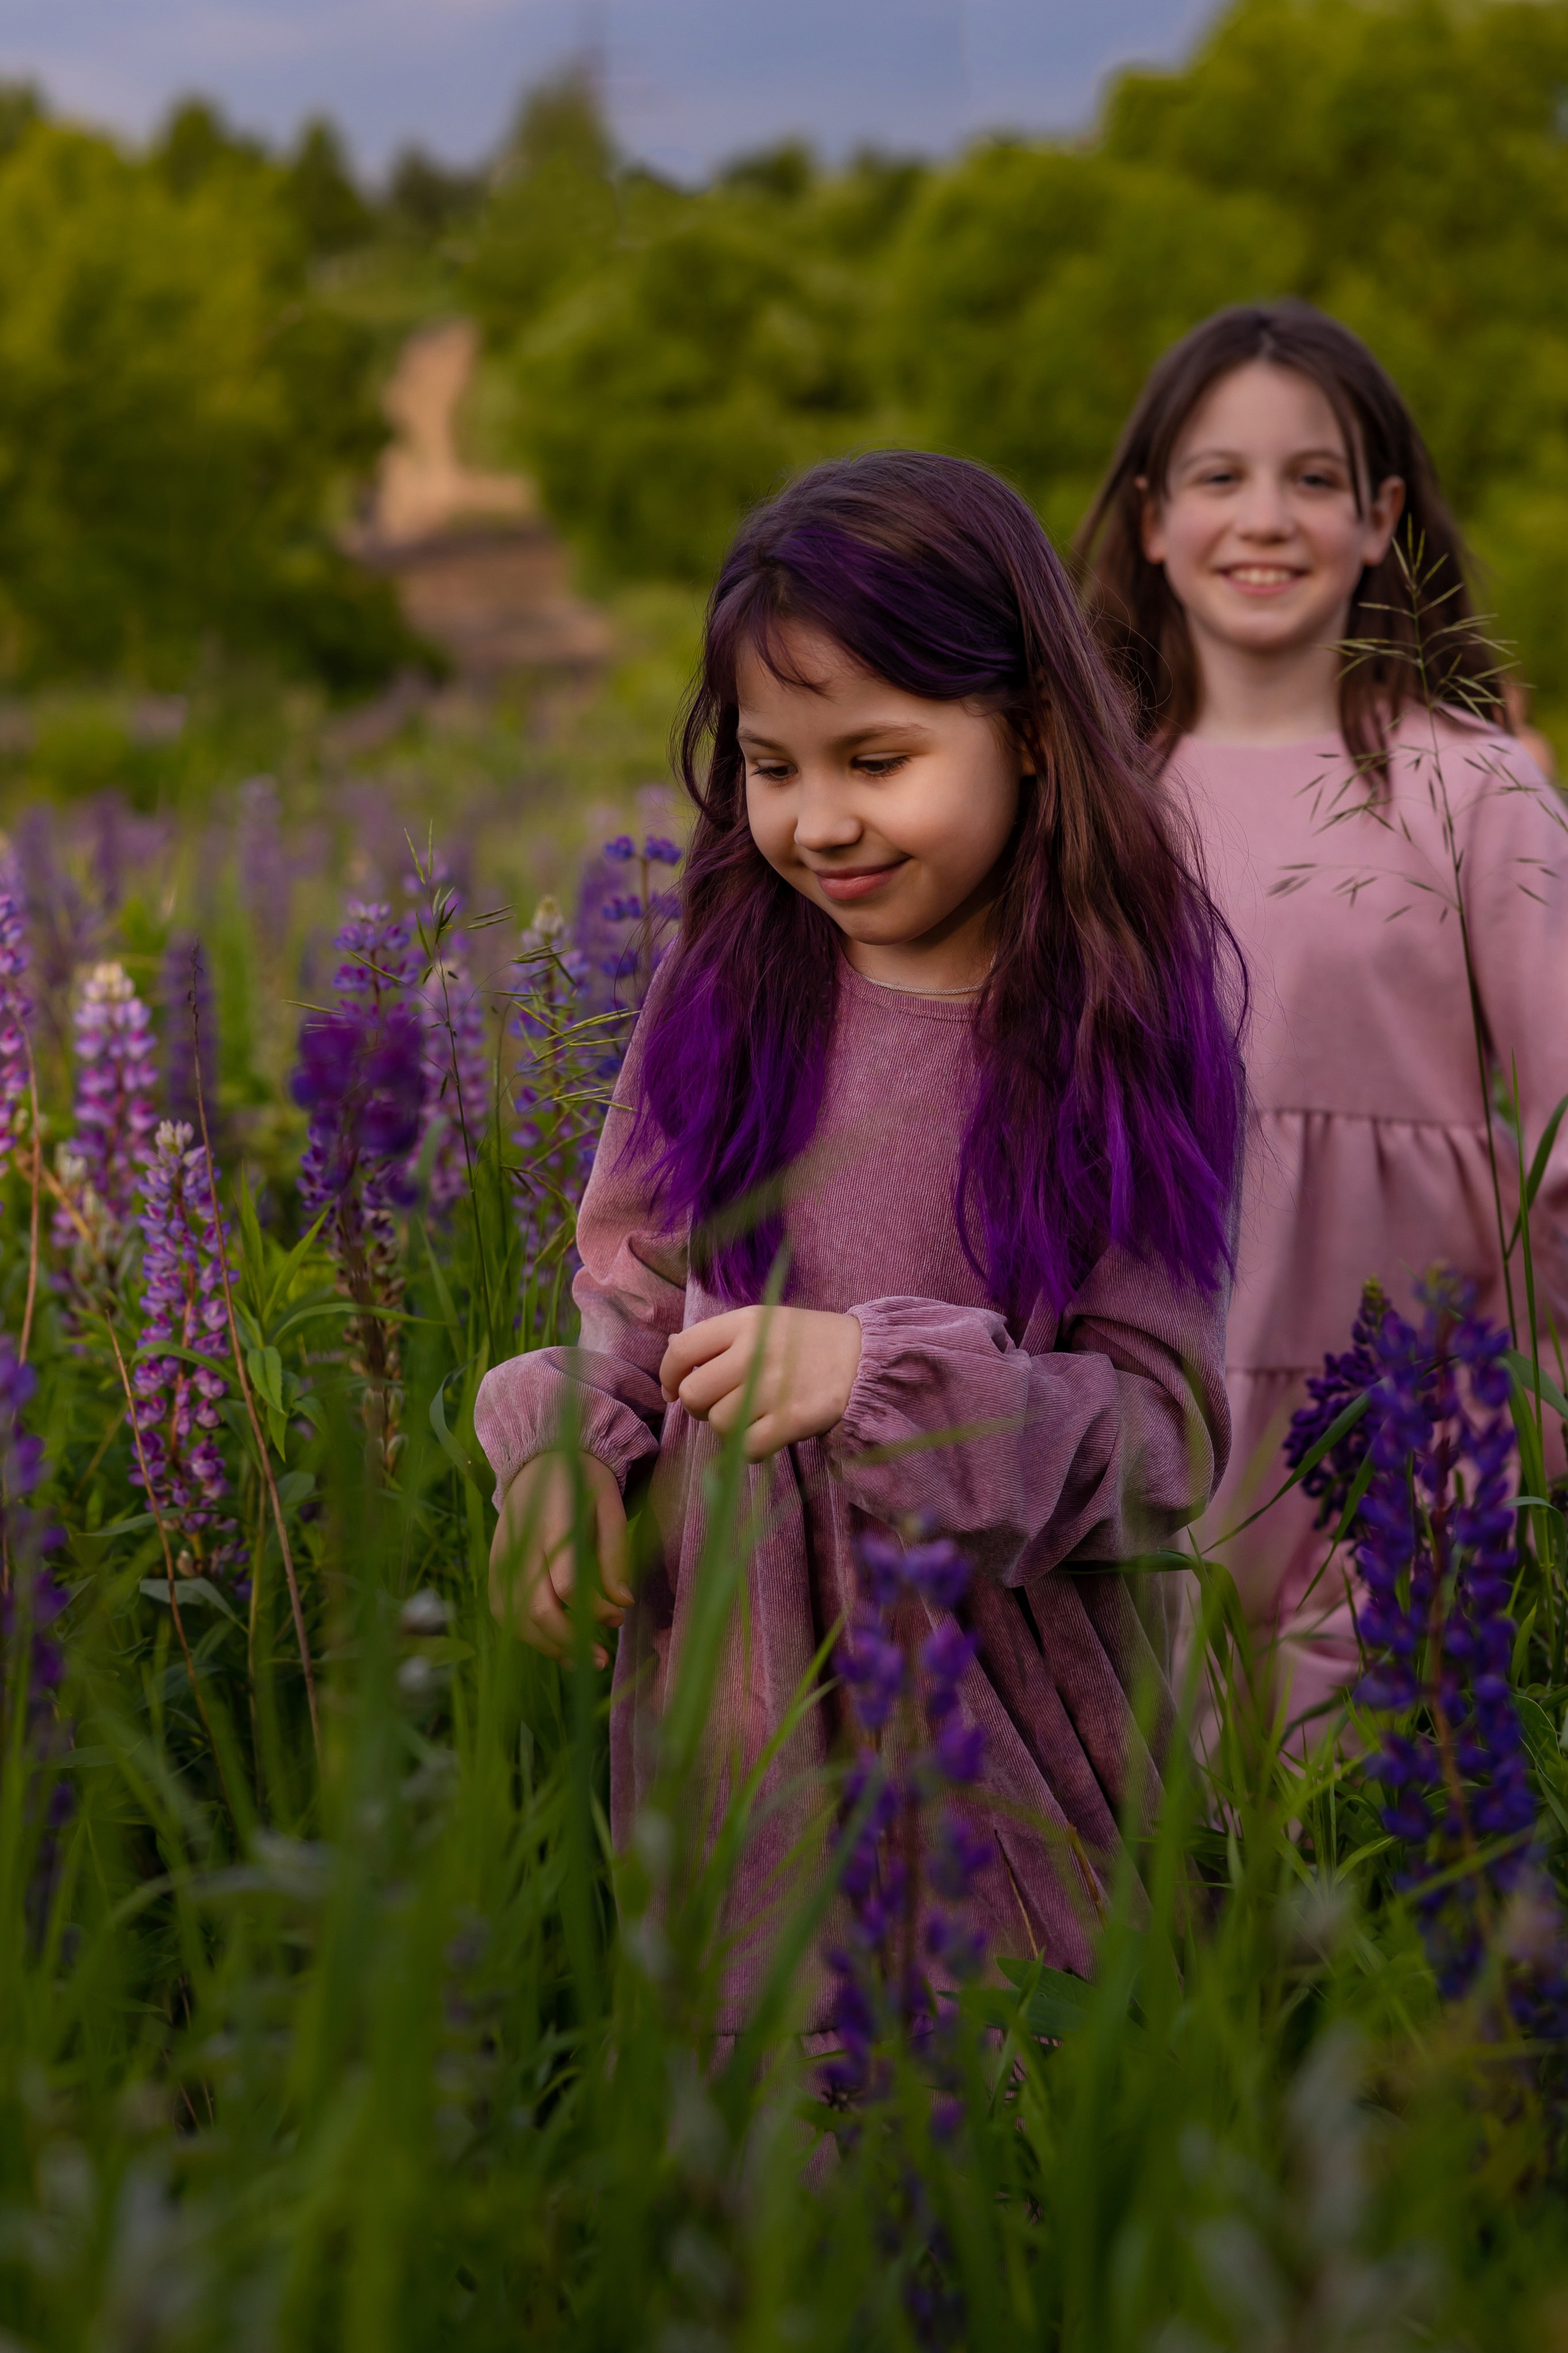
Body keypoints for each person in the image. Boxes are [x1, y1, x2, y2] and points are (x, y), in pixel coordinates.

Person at [477, 450, 1245, 2025]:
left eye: (876, 758)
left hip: (1005, 1738)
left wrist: (885, 1385)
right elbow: (633, 1297)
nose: (818, 820)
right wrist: (564, 1461)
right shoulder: (727, 984)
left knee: (1002, 2114)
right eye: (771, 765)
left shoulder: (1107, 1023)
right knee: (761, 2090)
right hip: (736, 1700)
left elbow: (1158, 1432)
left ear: (1029, 732)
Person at [1076, 301, 1568, 1738]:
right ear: (1151, 520)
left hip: (1407, 1421)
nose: (1263, 518)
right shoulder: (1087, 796)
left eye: (1310, 478)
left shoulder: (1476, 783)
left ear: (1379, 518)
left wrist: (1527, 1400)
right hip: (1136, 1419)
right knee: (1164, 1842)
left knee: (1355, 1822)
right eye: (1217, 477)